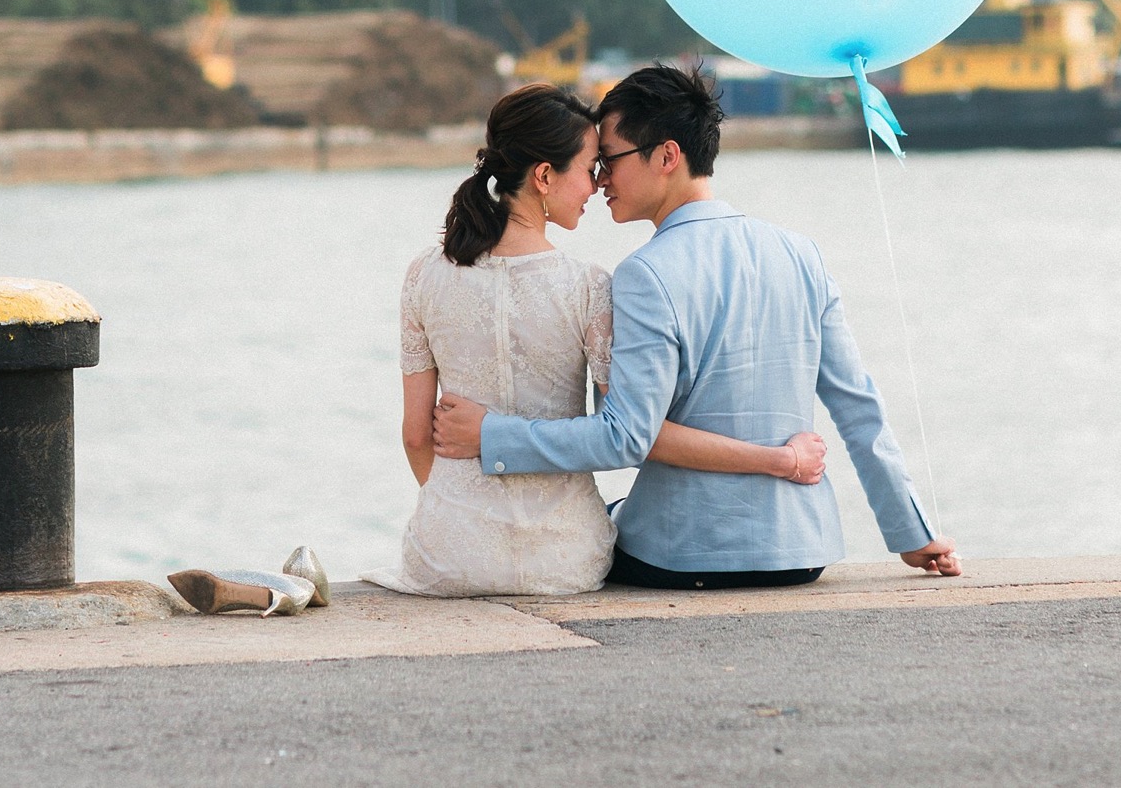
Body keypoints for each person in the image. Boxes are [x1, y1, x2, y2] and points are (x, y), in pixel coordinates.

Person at [433, 63, 960, 589]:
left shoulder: (646, 273)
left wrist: (492, 433)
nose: (601, 179)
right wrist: (912, 532)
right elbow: (857, 405)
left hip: (684, 555)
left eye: (609, 159)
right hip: (801, 553)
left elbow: (624, 437)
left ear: (667, 156)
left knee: (583, 527)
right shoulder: (802, 253)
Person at [366, 82, 829, 598]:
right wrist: (780, 461)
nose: (598, 185)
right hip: (565, 560)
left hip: (448, 553)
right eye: (590, 169)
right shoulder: (589, 288)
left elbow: (415, 436)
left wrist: (465, 515)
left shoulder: (423, 275)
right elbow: (626, 437)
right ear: (544, 176)